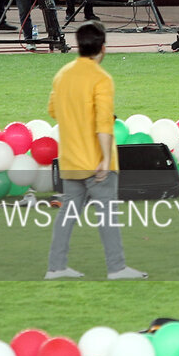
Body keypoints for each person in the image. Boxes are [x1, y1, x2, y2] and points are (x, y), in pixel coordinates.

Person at [46, 20, 147, 281]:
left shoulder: (62, 75)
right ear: (103, 48)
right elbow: (104, 123)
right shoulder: (102, 79)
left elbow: (53, 111)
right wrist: (103, 158)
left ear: (78, 46)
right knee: (107, 217)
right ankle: (116, 267)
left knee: (67, 216)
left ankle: (55, 267)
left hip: (70, 158)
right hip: (96, 161)